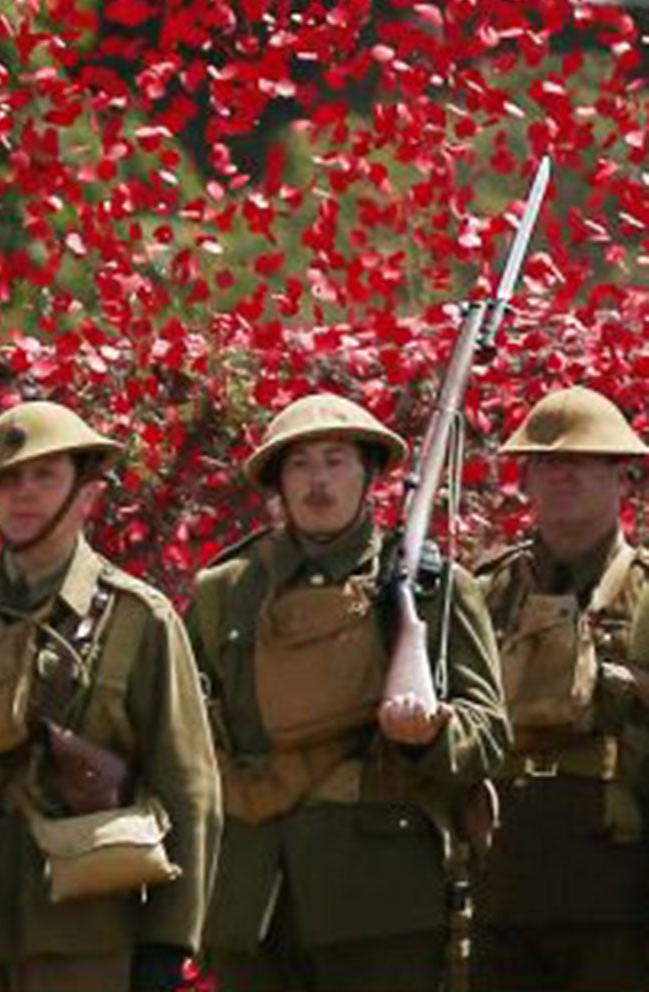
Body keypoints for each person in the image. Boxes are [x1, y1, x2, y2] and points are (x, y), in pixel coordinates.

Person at [0, 399, 220, 992]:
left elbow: (189, 791)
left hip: (83, 929)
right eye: (7, 479)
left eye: (44, 475)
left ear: (86, 491)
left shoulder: (139, 619)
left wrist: (167, 942)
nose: (23, 493)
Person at [188, 393, 508, 992]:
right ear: (278, 483)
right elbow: (185, 733)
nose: (318, 481)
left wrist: (432, 734)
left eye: (336, 460)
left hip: (380, 897)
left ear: (369, 475)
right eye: (300, 464)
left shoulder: (434, 587)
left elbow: (489, 734)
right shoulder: (224, 591)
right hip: (251, 895)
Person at [471, 386, 649, 992]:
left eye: (585, 459)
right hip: (503, 880)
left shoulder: (645, 592)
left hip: (617, 888)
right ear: (527, 481)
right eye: (547, 462)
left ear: (622, 478)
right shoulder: (488, 591)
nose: (563, 473)